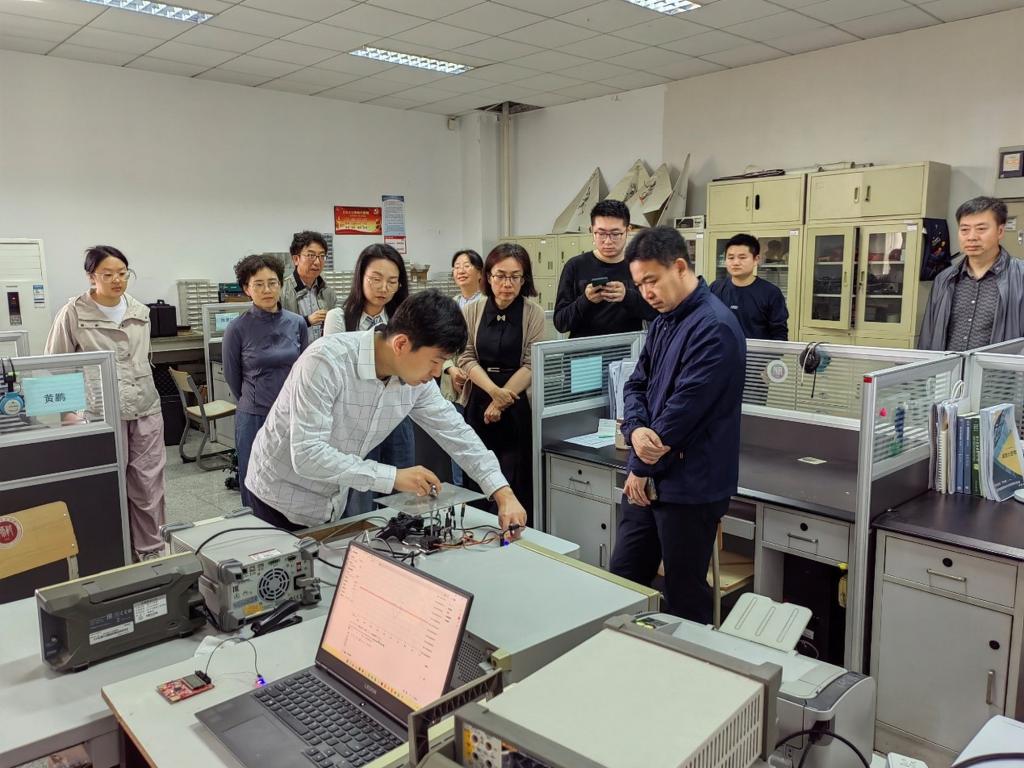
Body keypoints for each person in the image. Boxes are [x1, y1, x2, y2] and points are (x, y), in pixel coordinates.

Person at [245, 290, 528, 534]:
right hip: (277, 497)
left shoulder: (415, 382)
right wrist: (394, 477)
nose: (436, 373)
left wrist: (502, 492)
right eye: (435, 361)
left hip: (330, 502)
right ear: (401, 344)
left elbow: (457, 433)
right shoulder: (326, 361)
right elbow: (307, 454)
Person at [609, 227, 746, 624]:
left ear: (680, 267)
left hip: (690, 486)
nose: (646, 292)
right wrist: (635, 431)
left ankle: (691, 660)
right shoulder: (664, 320)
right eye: (639, 285)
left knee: (684, 593)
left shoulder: (714, 327)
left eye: (651, 280)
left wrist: (640, 465)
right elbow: (636, 384)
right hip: (650, 476)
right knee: (623, 580)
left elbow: (681, 413)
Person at [45, 246, 167, 560]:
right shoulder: (73, 312)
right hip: (99, 412)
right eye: (108, 274)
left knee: (148, 485)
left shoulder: (139, 311)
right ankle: (113, 552)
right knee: (106, 483)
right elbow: (57, 365)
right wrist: (68, 413)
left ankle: (151, 551)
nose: (117, 280)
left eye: (123, 274)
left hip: (144, 407)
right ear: (91, 277)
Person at [324, 245, 415, 516]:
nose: (383, 288)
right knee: (360, 497)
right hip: (355, 421)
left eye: (392, 281)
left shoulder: (404, 321)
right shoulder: (339, 318)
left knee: (401, 493)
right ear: (360, 277)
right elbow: (337, 371)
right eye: (376, 279)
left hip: (396, 417)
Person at [458, 243, 545, 524]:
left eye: (515, 277)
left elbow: (532, 363)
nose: (507, 284)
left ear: (524, 278)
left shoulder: (533, 313)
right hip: (479, 397)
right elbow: (466, 356)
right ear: (488, 276)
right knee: (477, 470)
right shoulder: (473, 310)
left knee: (514, 473)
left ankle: (514, 534)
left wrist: (501, 400)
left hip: (516, 402)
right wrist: (493, 392)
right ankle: (476, 531)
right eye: (500, 276)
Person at [222, 254, 308, 508]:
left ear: (281, 285)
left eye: (272, 283)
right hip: (255, 416)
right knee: (255, 480)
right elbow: (232, 376)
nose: (267, 290)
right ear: (247, 289)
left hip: (292, 414)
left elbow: (305, 370)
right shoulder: (237, 328)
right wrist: (255, 401)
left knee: (291, 481)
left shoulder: (297, 323)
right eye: (258, 284)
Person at [919, 196, 1024, 351]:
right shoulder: (944, 279)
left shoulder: (1020, 277)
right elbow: (928, 336)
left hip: (998, 367)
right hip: (950, 366)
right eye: (964, 230)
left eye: (981, 229)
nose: (971, 237)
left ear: (1000, 231)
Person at [553, 199, 657, 338]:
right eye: (601, 234)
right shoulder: (575, 266)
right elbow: (561, 323)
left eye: (615, 234)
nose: (608, 241)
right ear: (592, 231)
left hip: (628, 348)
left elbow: (656, 312)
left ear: (628, 231)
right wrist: (585, 300)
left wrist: (627, 296)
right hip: (583, 349)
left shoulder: (641, 267)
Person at [441, 249, 484, 485]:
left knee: (479, 442)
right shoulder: (450, 306)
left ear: (480, 272)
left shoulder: (487, 303)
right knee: (457, 442)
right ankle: (461, 492)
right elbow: (438, 343)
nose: (461, 270)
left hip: (479, 384)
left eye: (466, 265)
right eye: (457, 266)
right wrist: (450, 368)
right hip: (454, 385)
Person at [709, 233, 789, 340]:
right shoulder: (715, 288)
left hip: (757, 351)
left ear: (756, 260)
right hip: (721, 350)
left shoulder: (771, 293)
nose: (736, 262)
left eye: (742, 257)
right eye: (731, 257)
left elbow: (779, 335)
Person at [281, 231, 336, 343]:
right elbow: (275, 328)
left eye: (322, 256)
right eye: (311, 255)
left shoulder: (328, 292)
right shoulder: (281, 291)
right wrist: (306, 321)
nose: (317, 262)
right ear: (296, 259)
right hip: (293, 352)